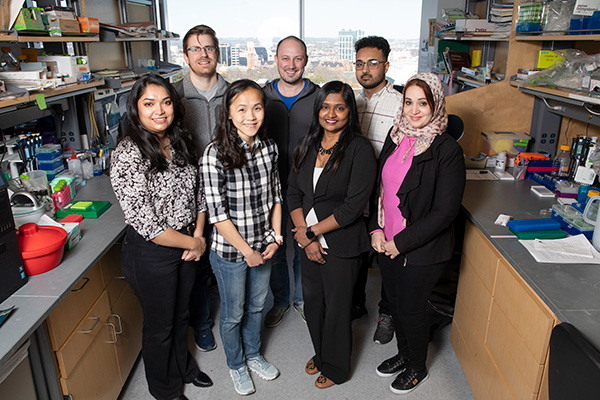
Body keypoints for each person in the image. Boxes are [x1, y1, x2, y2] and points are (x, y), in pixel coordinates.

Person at [111, 74, 213, 400]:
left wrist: (197, 234)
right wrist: (194, 243)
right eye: (149, 103)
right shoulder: (128, 153)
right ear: (136, 109)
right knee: (160, 326)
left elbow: (198, 194)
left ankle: (184, 367)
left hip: (186, 243)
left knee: (182, 315)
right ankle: (165, 389)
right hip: (151, 254)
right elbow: (147, 223)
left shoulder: (180, 141)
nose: (160, 111)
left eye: (166, 102)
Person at [369, 72, 465, 395]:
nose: (413, 110)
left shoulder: (447, 150)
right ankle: (404, 354)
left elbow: (444, 213)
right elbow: (378, 187)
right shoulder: (396, 136)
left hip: (419, 249)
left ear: (435, 104)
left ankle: (417, 367)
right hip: (387, 241)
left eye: (422, 103)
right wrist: (376, 229)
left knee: (411, 309)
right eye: (408, 102)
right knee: (395, 305)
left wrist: (400, 243)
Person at [288, 81, 376, 389]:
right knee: (313, 304)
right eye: (325, 107)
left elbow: (352, 207)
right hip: (308, 240)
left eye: (339, 107)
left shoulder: (360, 150)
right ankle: (322, 352)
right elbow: (293, 192)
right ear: (318, 110)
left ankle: (337, 368)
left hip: (341, 244)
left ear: (350, 111)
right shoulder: (307, 144)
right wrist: (305, 236)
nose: (331, 114)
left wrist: (311, 233)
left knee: (337, 308)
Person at [200, 79, 282, 396]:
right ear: (229, 114)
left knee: (257, 308)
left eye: (257, 108)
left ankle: (253, 354)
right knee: (233, 313)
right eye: (242, 109)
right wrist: (247, 250)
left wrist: (276, 237)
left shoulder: (269, 148)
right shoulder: (214, 155)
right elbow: (217, 214)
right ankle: (236, 364)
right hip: (231, 254)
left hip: (264, 247)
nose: (251, 116)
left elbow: (275, 196)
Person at [174, 24, 229, 352]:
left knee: (226, 256)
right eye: (195, 49)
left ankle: (232, 316)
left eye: (208, 48)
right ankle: (203, 324)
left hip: (227, 190)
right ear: (185, 56)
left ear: (218, 53)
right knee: (194, 257)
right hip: (189, 194)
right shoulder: (174, 97)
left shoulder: (234, 92)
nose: (203, 54)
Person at [262, 36, 320, 328]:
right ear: (276, 59)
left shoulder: (318, 97)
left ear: (306, 61)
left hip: (304, 188)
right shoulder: (261, 96)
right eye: (286, 58)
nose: (291, 65)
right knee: (273, 247)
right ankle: (281, 300)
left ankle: (301, 298)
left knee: (302, 243)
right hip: (267, 188)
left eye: (297, 59)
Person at [352, 36, 403, 345]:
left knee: (387, 257)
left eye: (372, 63)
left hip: (386, 191)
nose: (366, 69)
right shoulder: (351, 101)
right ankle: (355, 304)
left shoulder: (399, 104)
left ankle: (388, 313)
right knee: (355, 249)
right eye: (360, 63)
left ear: (386, 65)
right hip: (356, 189)